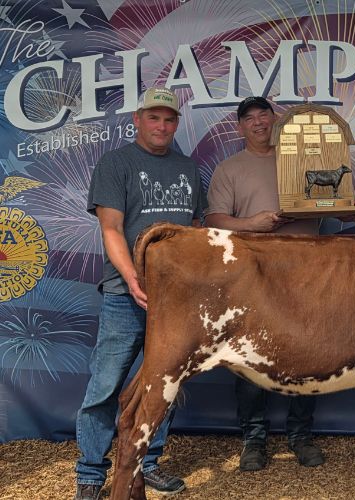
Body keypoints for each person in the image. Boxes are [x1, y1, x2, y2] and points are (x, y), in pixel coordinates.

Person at [205, 96, 355, 472]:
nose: (259, 122)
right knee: (248, 357)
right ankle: (254, 437)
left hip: (307, 273)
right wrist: (250, 225)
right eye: (250, 118)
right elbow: (212, 220)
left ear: (276, 120)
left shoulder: (305, 159)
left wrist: (349, 214)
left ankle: (301, 435)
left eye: (265, 115)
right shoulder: (229, 169)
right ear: (239, 127)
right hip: (254, 277)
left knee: (310, 354)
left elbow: (325, 203)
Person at [75, 87, 206, 500]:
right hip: (123, 295)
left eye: (168, 119)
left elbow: (195, 232)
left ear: (176, 123)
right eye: (154, 118)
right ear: (137, 119)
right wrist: (133, 278)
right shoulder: (116, 164)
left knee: (160, 384)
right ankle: (91, 473)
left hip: (176, 301)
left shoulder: (187, 169)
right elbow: (111, 229)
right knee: (105, 386)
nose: (161, 126)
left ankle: (146, 464)